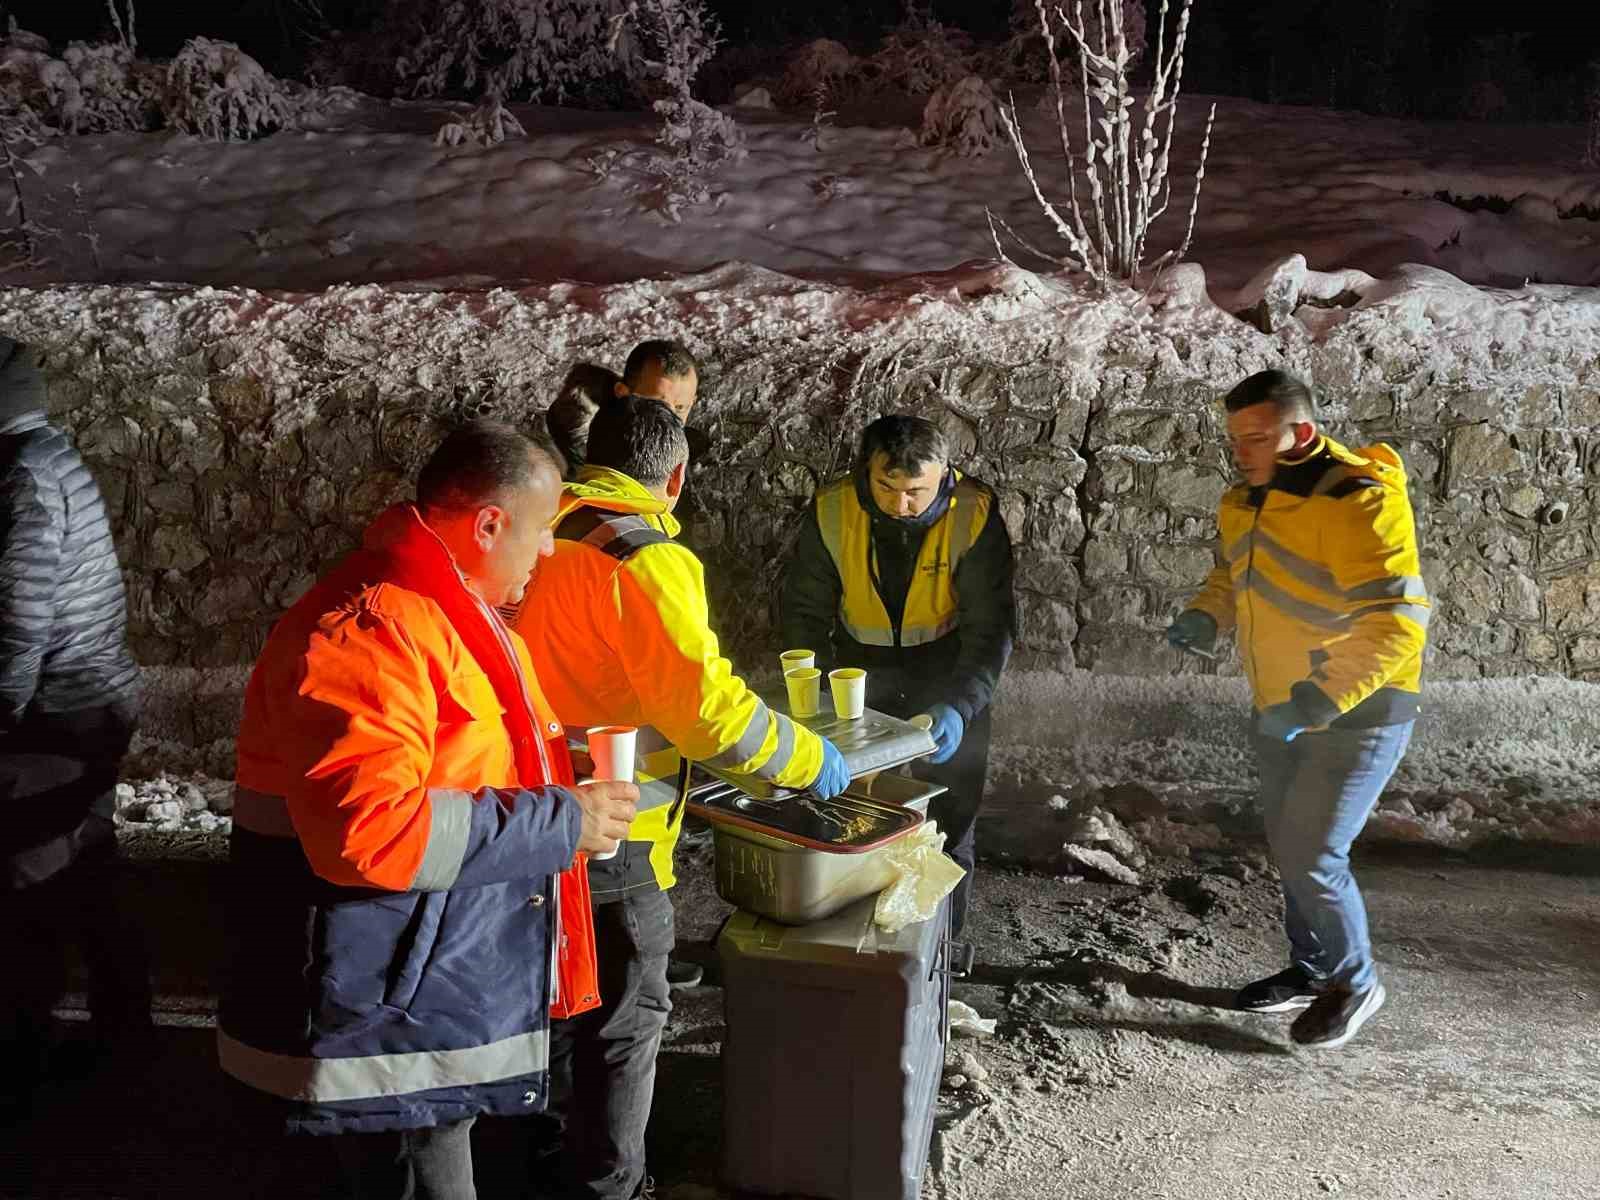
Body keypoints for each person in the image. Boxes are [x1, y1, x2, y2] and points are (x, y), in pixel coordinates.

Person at [217, 421, 640, 1199]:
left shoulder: (443, 609)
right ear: (489, 523)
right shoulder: (377, 627)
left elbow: (453, 763)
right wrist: (562, 821)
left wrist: (551, 776)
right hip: (378, 1017)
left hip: (408, 990)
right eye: (543, 530)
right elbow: (369, 832)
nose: (548, 551)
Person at [513, 395, 849, 1200]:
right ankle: (611, 1188)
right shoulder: (645, 555)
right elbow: (708, 718)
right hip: (616, 832)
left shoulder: (540, 527)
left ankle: (535, 1163)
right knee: (625, 1022)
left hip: (526, 816)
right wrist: (807, 760)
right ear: (676, 475)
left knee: (552, 1008)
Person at [1166, 369, 1429, 1050]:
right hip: (1281, 705)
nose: (1241, 451)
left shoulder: (1357, 499)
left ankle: (1356, 981)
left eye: (1256, 438)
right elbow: (1234, 571)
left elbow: (1397, 620)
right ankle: (1313, 970)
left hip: (1359, 713)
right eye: (1236, 439)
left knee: (1314, 853)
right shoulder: (1247, 499)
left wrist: (1316, 700)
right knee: (1289, 847)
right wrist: (1206, 616)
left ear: (1302, 433)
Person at [781, 414, 1015, 938]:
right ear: (866, 470)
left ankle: (941, 954)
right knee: (854, 812)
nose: (901, 503)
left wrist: (961, 704)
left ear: (945, 475)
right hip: (860, 672)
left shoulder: (972, 514)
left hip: (947, 667)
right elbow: (804, 611)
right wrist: (813, 696)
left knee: (951, 820)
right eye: (887, 486)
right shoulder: (834, 509)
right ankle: (859, 945)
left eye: (917, 491)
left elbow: (992, 626)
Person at [0, 338, 147, 1122]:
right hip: (93, 698)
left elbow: (20, 615)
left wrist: (3, 712)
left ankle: (24, 1051)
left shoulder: (22, 476)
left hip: (57, 712)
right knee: (87, 869)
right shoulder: (53, 456)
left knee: (27, 881)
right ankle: (126, 1033)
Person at [541, 339, 705, 995]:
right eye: (659, 403)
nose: (673, 418)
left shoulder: (566, 507)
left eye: (684, 408)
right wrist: (795, 761)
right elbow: (702, 702)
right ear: (620, 397)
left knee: (573, 981)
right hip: (602, 789)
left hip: (582, 789)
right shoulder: (625, 533)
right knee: (624, 1013)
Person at [545, 340, 699, 476]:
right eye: (657, 406)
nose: (670, 420)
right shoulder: (580, 445)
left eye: (680, 408)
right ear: (622, 393)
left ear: (692, 402)